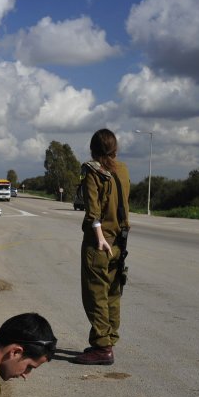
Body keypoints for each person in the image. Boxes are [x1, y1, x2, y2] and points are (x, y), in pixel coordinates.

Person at [74, 129, 131, 366]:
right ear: (114, 148)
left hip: (100, 242)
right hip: (119, 242)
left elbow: (93, 212)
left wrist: (98, 237)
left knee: (95, 294)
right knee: (112, 294)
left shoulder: (93, 172)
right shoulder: (123, 170)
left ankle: (102, 346)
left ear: (92, 149)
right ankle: (109, 339)